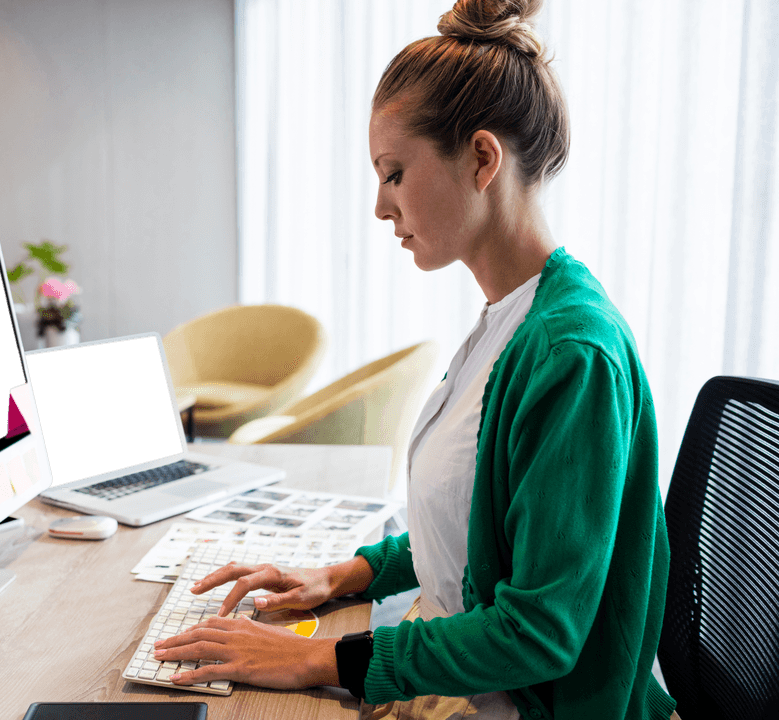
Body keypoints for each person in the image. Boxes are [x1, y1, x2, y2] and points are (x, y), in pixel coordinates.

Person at [153, 1, 679, 718]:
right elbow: (470, 539)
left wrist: (321, 656)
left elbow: (539, 632)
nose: (379, 205)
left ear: (482, 158)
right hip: (465, 671)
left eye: (394, 173)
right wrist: (343, 575)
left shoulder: (569, 355)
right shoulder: (512, 317)